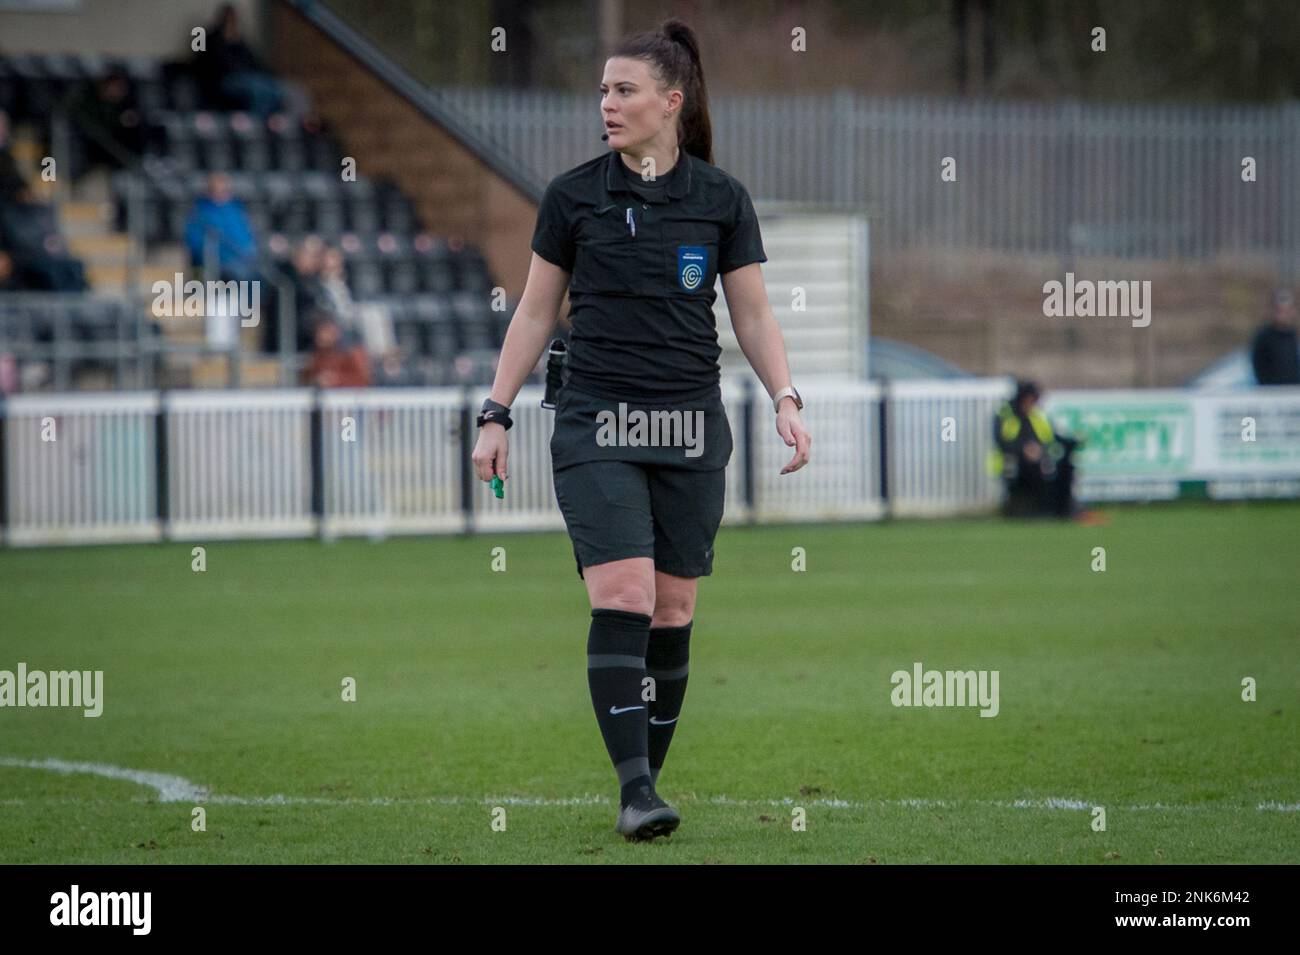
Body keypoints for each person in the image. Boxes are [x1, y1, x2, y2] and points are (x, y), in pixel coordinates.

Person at [470, 19, 811, 842]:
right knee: (622, 592)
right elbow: (536, 311)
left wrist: (787, 398)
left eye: (624, 90)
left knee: (673, 607)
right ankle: (634, 792)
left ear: (671, 101)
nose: (607, 104)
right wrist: (495, 409)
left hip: (690, 424)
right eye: (602, 90)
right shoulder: (573, 196)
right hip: (597, 419)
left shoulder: (721, 199)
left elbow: (754, 314)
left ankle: (646, 779)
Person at [992, 379, 1082, 519]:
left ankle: (1061, 508)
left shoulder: (1037, 415)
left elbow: (1052, 437)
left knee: (1063, 468)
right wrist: (1023, 450)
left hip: (1039, 462)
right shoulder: (1005, 415)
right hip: (1011, 464)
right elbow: (1002, 441)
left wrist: (1074, 441)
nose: (1033, 403)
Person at [299, 314, 370, 388]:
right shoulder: (317, 355)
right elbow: (305, 379)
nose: (321, 336)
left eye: (325, 332)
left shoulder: (351, 352)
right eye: (318, 333)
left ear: (335, 332)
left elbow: (363, 380)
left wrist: (336, 380)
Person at [1249, 289, 1300, 386]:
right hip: (1272, 392)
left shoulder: (1292, 335)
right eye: (1280, 311)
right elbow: (1258, 365)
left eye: (1287, 311)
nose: (1284, 314)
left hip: (1292, 390)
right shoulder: (1264, 337)